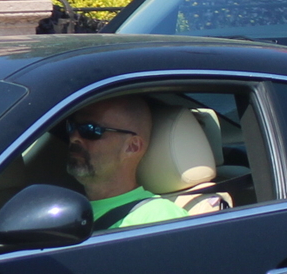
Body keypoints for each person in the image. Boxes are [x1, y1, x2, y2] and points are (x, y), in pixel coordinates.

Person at [57, 96, 190, 229]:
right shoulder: (61, 210)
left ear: (132, 147)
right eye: (72, 127)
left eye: (90, 129)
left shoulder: (160, 218)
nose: (74, 137)